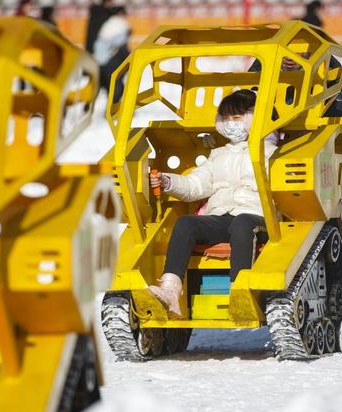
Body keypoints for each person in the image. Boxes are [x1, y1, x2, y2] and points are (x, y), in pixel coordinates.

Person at [148, 90, 278, 317]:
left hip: (256, 216)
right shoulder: (218, 155)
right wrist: (168, 181)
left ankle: (240, 291)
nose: (230, 124)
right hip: (223, 217)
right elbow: (194, 186)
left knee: (242, 223)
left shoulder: (271, 154)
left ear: (254, 118)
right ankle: (170, 290)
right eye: (225, 118)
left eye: (236, 119)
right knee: (186, 224)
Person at [93, 6, 130, 102]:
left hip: (101, 60)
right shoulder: (119, 23)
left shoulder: (109, 22)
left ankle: (88, 107)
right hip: (110, 59)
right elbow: (119, 44)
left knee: (105, 85)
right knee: (115, 85)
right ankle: (112, 110)